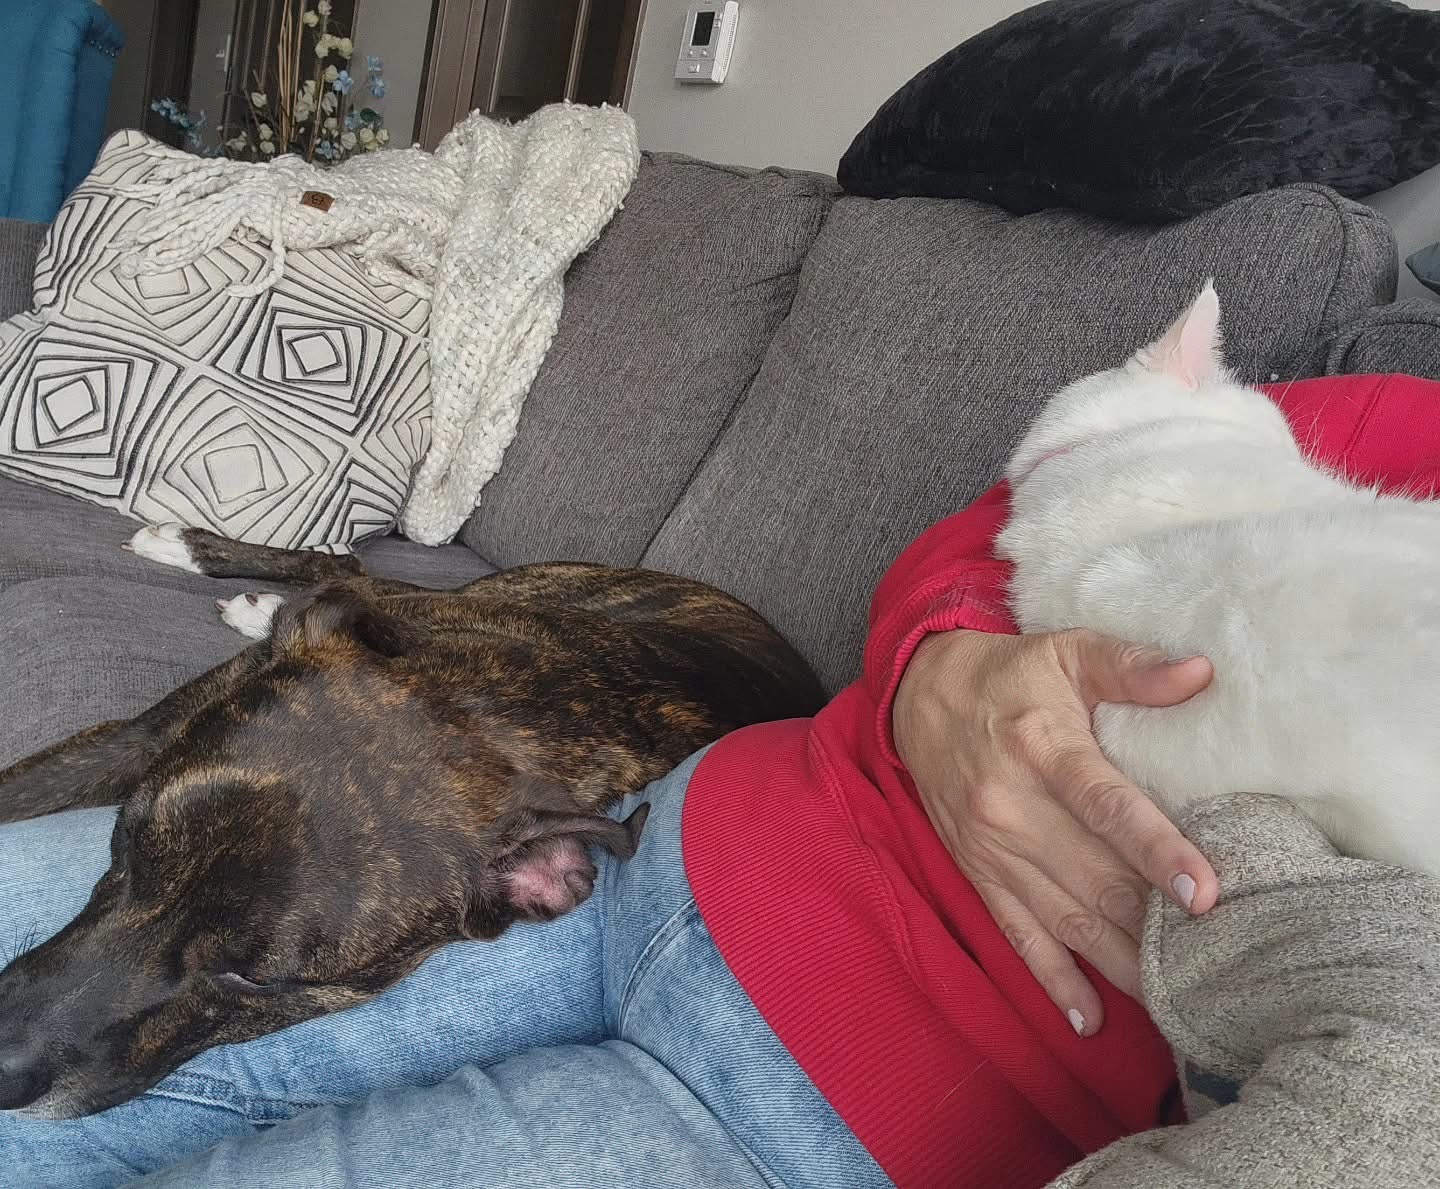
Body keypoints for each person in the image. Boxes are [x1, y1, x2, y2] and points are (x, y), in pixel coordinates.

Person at [2, 373, 1438, 1189]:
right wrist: (945, 656)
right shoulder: (1392, 420)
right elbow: (1029, 496)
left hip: (826, 1105)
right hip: (690, 830)